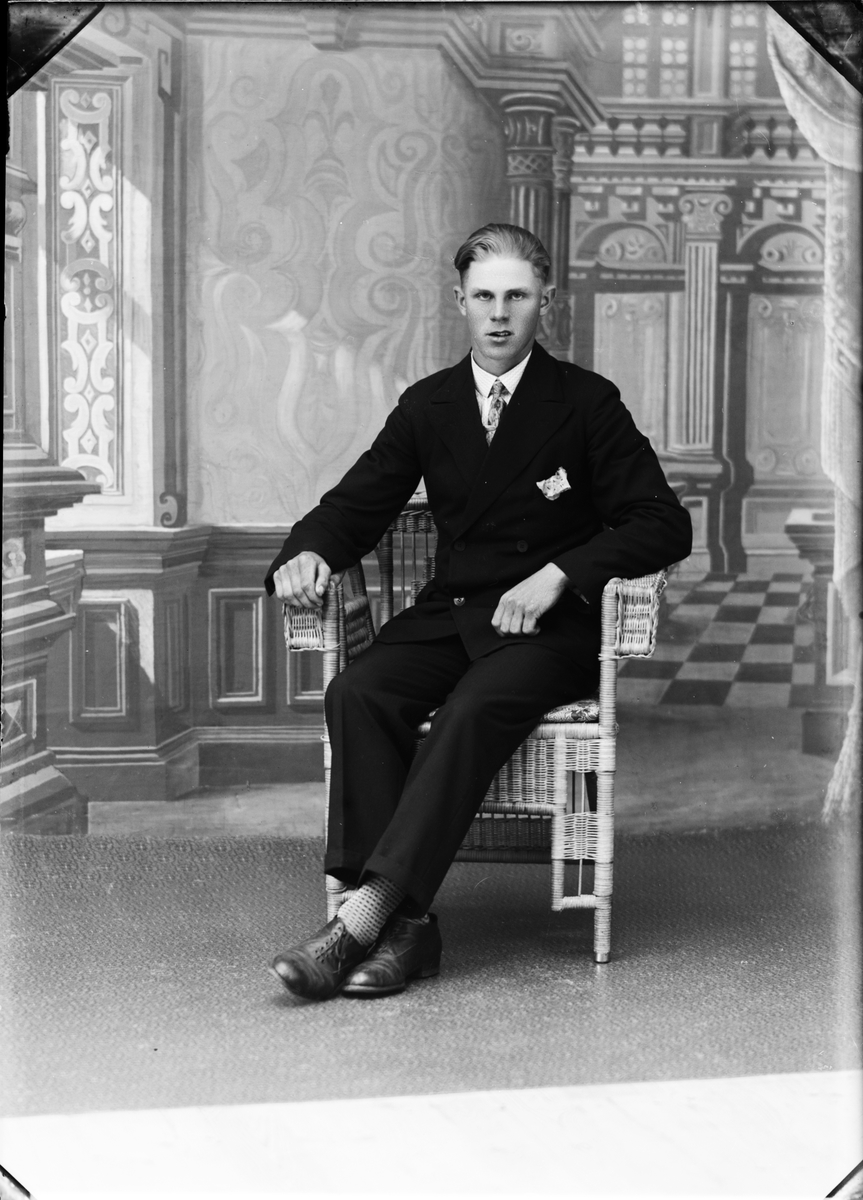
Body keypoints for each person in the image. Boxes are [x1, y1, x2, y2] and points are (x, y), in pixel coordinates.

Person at [265, 223, 691, 1001]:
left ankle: (360, 923)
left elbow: (662, 523)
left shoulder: (585, 403)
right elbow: (354, 505)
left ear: (544, 303)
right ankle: (409, 931)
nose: (499, 314)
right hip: (452, 614)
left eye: (516, 296)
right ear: (458, 300)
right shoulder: (428, 404)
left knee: (471, 708)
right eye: (484, 296)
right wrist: (309, 552)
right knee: (357, 691)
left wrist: (559, 574)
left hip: (550, 631)